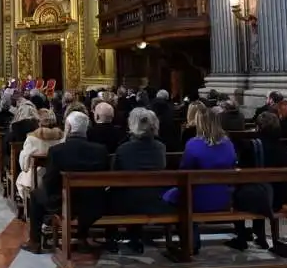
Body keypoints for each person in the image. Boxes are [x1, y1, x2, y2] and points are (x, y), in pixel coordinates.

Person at [20, 111, 109, 253]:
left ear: (67, 127)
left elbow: (50, 181)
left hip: (65, 202)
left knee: (36, 196)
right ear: (86, 129)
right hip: (94, 203)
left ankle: (35, 242)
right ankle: (81, 237)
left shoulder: (57, 151)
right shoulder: (100, 151)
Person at [163, 107, 237, 253]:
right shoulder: (228, 144)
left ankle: (191, 241)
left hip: (199, 199)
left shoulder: (193, 144)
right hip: (225, 197)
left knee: (176, 197)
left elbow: (184, 171)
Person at [105, 108, 172, 254]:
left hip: (128, 203)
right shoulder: (160, 147)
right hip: (156, 200)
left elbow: (114, 174)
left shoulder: (123, 149)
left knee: (113, 195)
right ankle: (135, 239)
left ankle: (111, 238)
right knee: (137, 192)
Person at [227, 112, 287, 251]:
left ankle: (241, 237)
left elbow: (242, 172)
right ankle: (261, 236)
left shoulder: (252, 146)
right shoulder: (283, 148)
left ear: (258, 127)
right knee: (257, 187)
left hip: (261, 199)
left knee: (236, 193)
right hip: (278, 199)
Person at [16, 109, 62, 200]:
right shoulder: (61, 137)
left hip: (37, 178)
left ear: (38, 122)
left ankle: (29, 206)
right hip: (57, 177)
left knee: (21, 178)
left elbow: (24, 165)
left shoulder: (31, 138)